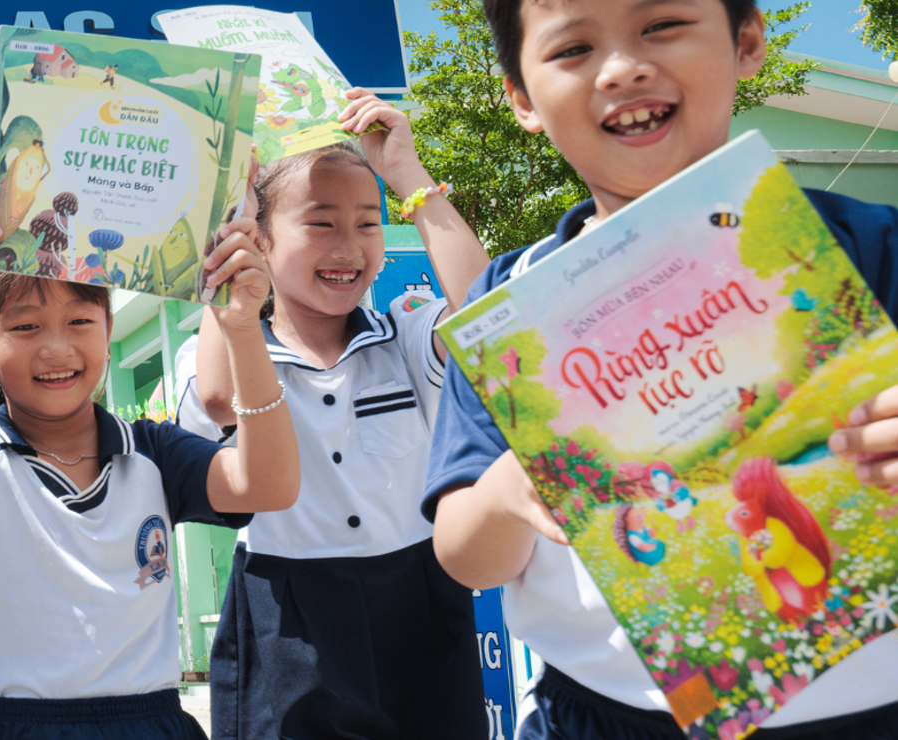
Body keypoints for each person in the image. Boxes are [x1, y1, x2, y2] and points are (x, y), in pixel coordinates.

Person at [426, 0, 898, 737]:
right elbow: (466, 558)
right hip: (602, 716)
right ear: (520, 98)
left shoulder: (865, 247)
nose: (622, 68)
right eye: (572, 48)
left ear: (746, 40)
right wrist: (509, 490)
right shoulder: (509, 313)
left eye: (660, 25)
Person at [0, 182, 297, 739]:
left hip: (149, 725)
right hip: (9, 728)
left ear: (107, 329)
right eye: (25, 326)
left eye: (80, 321)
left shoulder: (154, 452)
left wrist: (243, 328)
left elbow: (269, 485)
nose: (56, 347)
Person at [178, 90, 490, 739]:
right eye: (320, 224)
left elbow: (490, 320)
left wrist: (406, 173)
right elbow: (217, 401)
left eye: (368, 223)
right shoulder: (223, 351)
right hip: (287, 611)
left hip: (419, 598)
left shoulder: (405, 335)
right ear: (260, 240)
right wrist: (228, 217)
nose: (348, 246)